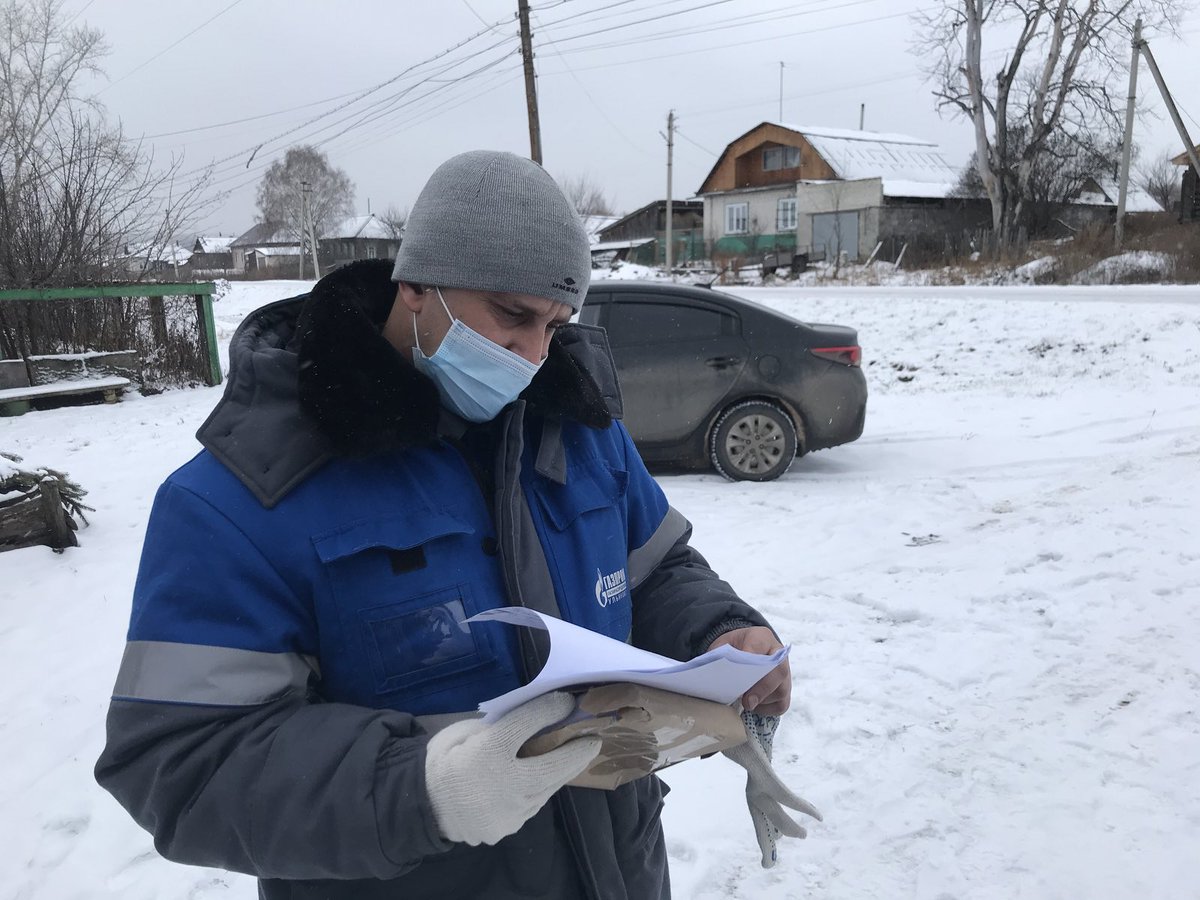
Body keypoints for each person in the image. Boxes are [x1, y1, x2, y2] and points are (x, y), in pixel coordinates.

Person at [95, 150, 818, 900]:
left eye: (556, 324)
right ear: (415, 286)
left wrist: (719, 631)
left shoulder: (579, 431)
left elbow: (657, 568)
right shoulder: (245, 494)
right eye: (512, 315)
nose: (534, 355)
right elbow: (181, 761)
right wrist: (423, 789)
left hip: (617, 871)